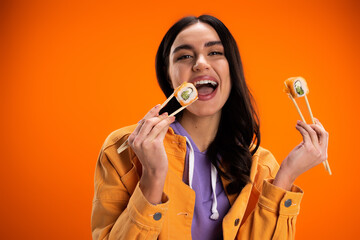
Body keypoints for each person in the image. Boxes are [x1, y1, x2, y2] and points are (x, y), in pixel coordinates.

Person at [91, 15, 329, 240]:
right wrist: (152, 177)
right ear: (168, 73)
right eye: (184, 56)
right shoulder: (123, 150)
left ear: (231, 69)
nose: (200, 64)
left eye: (214, 52)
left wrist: (285, 176)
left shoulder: (260, 165)